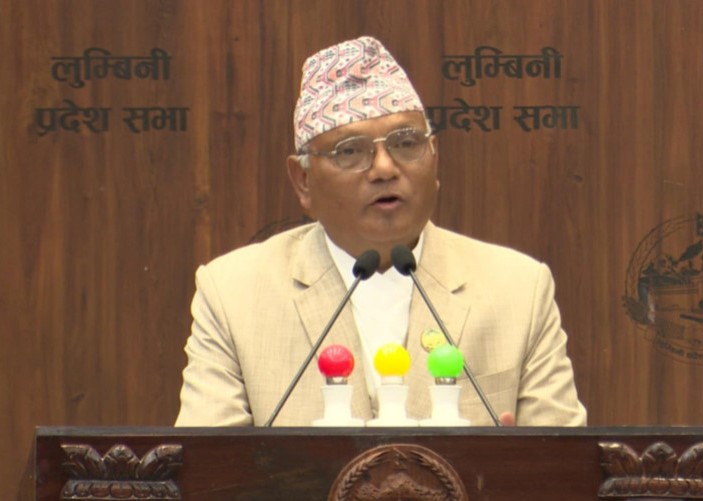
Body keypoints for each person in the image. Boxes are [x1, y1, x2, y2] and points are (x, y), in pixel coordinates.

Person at [175, 36, 586, 427]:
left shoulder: (518, 290)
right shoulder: (234, 296)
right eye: (350, 151)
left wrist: (519, 461)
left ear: (435, 157)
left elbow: (565, 465)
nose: (385, 168)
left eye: (406, 143)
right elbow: (209, 466)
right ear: (303, 181)